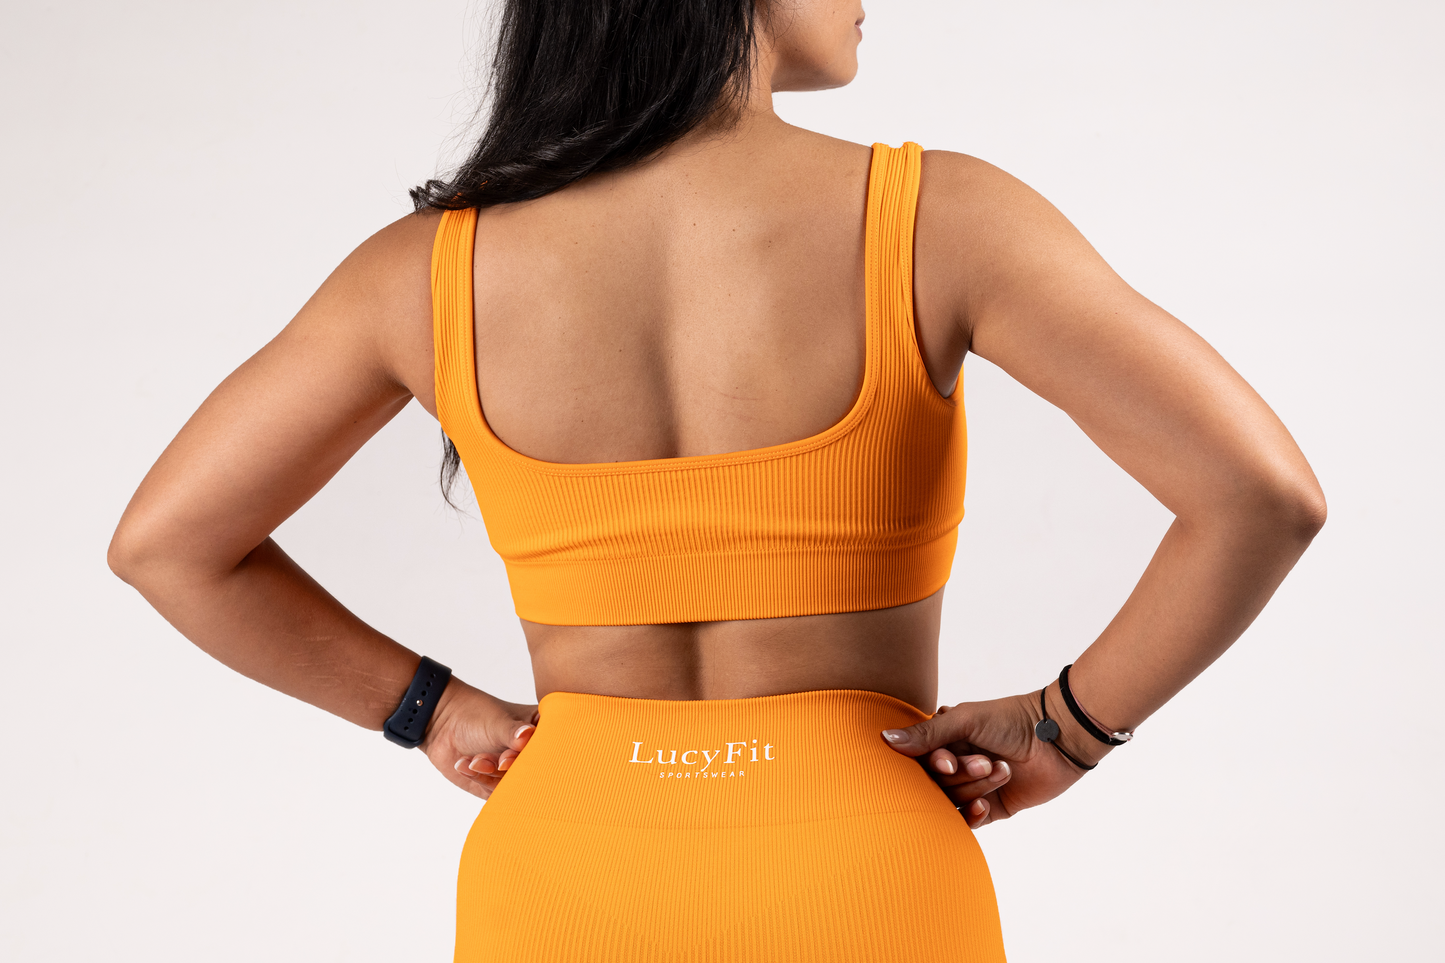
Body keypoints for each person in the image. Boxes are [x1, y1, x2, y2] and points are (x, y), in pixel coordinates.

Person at [107, 1, 1326, 960]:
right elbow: (1260, 495)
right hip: (864, 868)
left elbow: (168, 544)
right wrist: (1064, 727)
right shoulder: (938, 217)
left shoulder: (420, 272)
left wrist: (429, 709)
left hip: (566, 873)